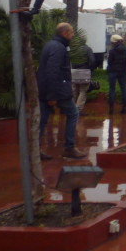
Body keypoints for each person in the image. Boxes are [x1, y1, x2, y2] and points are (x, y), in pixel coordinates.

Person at [37, 22, 86, 159]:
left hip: (45, 89)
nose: (73, 34)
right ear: (65, 33)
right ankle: (69, 148)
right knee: (73, 113)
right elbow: (53, 71)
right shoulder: (59, 48)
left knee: (42, 120)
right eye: (71, 31)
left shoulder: (51, 45)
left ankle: (35, 150)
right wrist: (52, 96)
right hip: (58, 91)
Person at [106, 34, 126, 114]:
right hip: (122, 72)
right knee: (123, 89)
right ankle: (124, 108)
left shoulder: (112, 51)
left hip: (113, 72)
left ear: (114, 42)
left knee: (112, 89)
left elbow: (109, 62)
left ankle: (111, 109)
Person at [71, 42, 95, 113]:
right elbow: (92, 61)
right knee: (83, 91)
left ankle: (72, 108)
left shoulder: (74, 49)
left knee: (75, 90)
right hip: (84, 71)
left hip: (74, 71)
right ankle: (78, 109)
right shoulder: (88, 49)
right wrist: (90, 69)